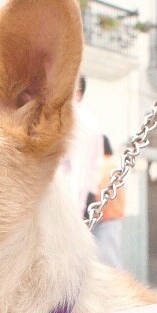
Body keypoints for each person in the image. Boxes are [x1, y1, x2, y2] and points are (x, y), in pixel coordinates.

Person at [57, 75, 104, 219]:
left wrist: (75, 214)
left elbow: (81, 171)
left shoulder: (81, 123)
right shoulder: (76, 120)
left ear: (77, 93)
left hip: (76, 201)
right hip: (73, 199)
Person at [91, 136, 126, 268]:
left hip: (106, 220)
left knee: (109, 260)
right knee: (108, 258)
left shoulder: (105, 164)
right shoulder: (111, 164)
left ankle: (122, 288)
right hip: (109, 219)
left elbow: (102, 193)